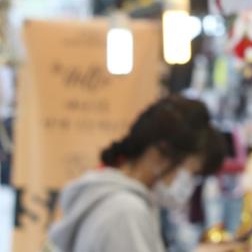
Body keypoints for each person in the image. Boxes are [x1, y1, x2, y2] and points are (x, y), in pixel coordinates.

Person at [45, 96, 227, 252]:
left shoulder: (113, 199)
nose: (188, 184)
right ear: (159, 156)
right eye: (190, 172)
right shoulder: (126, 212)